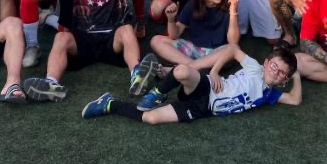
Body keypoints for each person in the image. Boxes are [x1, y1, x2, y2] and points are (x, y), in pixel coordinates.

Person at [81, 44, 302, 124]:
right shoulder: (255, 68)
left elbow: (294, 100)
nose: (276, 72)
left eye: (282, 73)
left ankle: (109, 103)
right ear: (266, 63)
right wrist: (214, 71)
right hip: (209, 87)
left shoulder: (270, 94)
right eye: (275, 66)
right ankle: (157, 92)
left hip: (203, 109)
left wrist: (297, 74)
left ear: (284, 80)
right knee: (182, 71)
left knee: (151, 118)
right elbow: (233, 49)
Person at [149, 0, 240, 69]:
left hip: (218, 53)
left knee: (233, 49)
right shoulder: (192, 5)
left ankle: (185, 69)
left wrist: (233, 13)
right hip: (195, 50)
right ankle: (196, 67)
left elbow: (233, 41)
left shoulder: (228, 5)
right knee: (156, 40)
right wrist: (171, 20)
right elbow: (174, 35)